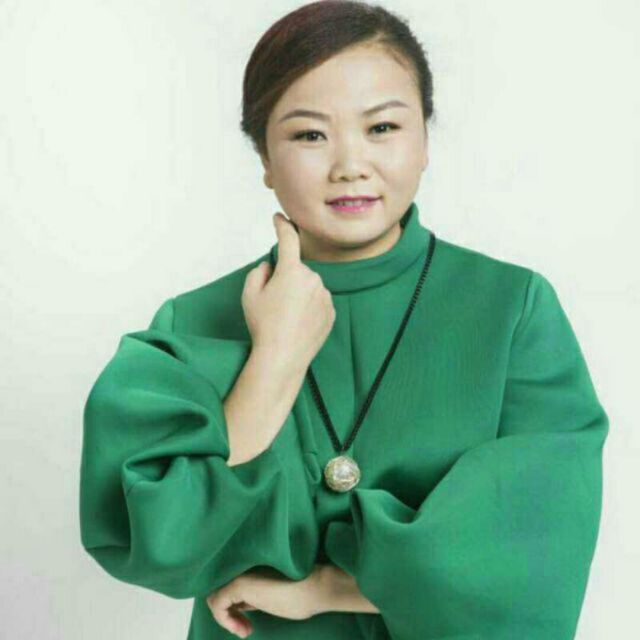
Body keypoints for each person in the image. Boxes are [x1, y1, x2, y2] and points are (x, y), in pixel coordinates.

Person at [78, 2, 609, 639]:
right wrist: (274, 360)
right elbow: (153, 542)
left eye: (382, 127)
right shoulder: (192, 322)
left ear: (424, 141)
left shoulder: (511, 306)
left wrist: (327, 589)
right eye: (309, 135)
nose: (350, 164)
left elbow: (541, 549)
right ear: (264, 158)